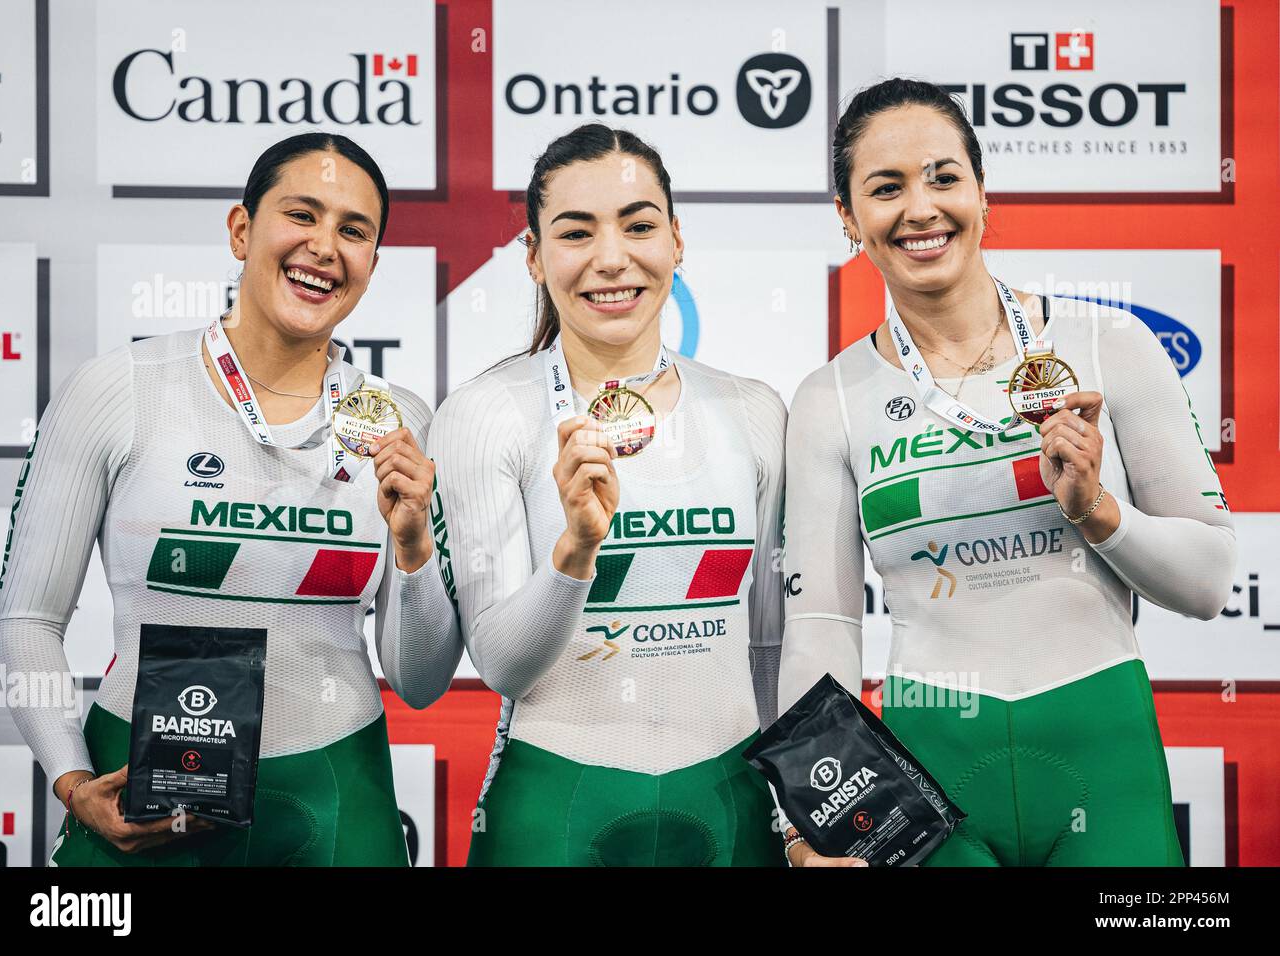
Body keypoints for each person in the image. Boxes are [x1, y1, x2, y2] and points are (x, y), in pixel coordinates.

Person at [778, 79, 1236, 867]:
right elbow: (824, 627)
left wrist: (1098, 511)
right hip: (929, 778)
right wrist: (805, 824)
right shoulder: (830, 400)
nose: (921, 208)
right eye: (886, 189)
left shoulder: (1109, 344)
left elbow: (1209, 582)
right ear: (850, 221)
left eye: (943, 178)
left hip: (1105, 757)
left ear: (982, 194)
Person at [0, 132, 462, 866]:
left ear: (373, 260)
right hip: (139, 793)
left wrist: (413, 548)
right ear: (242, 231)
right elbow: (27, 618)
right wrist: (71, 779)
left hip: (337, 797)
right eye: (301, 215)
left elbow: (422, 680)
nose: (324, 247)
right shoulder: (121, 387)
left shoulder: (402, 421)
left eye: (353, 230)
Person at [429, 123, 787, 866]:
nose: (611, 258)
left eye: (638, 225)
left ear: (677, 241)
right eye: (576, 232)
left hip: (733, 804)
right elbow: (500, 663)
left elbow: (771, 646)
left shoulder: (752, 411)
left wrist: (798, 812)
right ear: (533, 256)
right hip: (554, 813)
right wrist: (576, 552)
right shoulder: (485, 413)